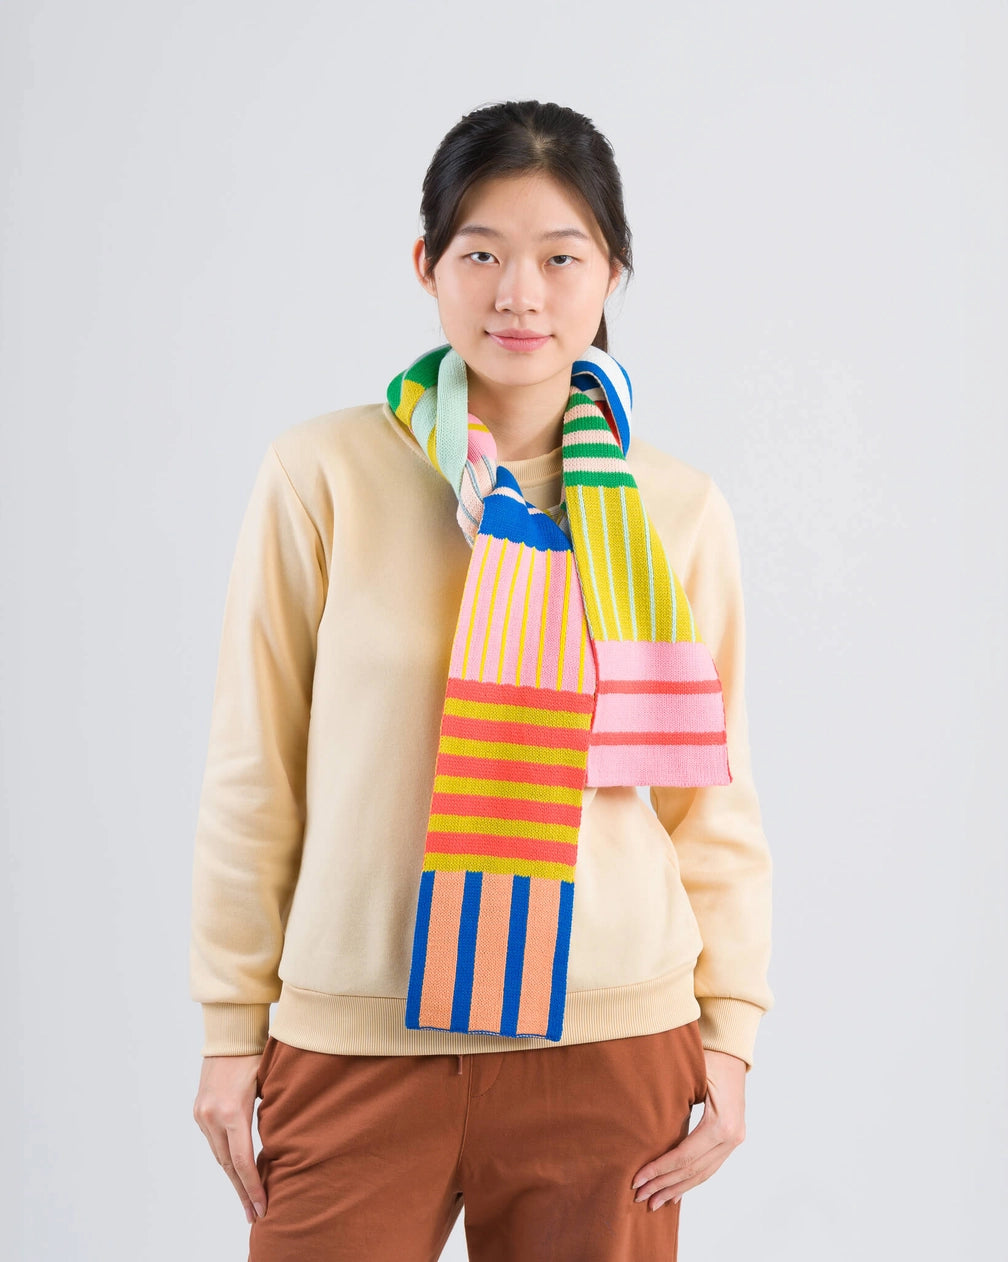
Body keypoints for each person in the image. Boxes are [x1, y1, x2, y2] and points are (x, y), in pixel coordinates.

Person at [190, 99, 773, 1262]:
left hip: (610, 1042)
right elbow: (256, 766)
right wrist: (229, 1022)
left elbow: (709, 800)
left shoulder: (676, 508)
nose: (520, 294)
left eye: (561, 257)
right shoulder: (323, 474)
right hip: (356, 1040)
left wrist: (730, 1032)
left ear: (611, 273)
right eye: (482, 254)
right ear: (427, 265)